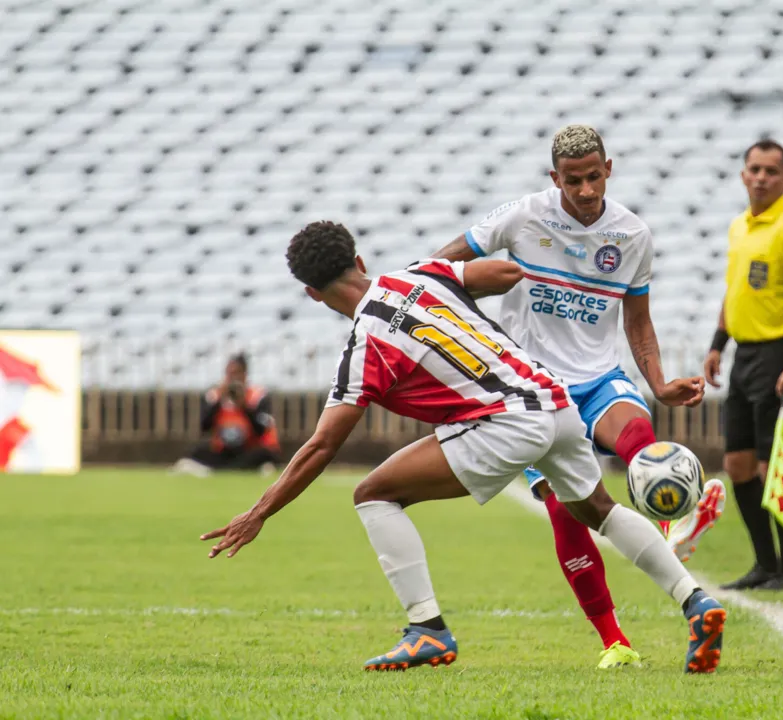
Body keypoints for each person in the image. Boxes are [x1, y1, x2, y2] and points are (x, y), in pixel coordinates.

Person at [200, 221, 727, 674]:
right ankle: (695, 601)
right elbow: (500, 274)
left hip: (505, 423)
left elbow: (320, 447)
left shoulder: (365, 344)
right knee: (598, 510)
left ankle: (426, 627)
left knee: (374, 494)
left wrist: (259, 512)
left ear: (311, 293)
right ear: (359, 259)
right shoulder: (422, 273)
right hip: (553, 398)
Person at [431, 124, 725, 667]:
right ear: (554, 179)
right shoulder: (523, 215)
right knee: (569, 513)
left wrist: (658, 384)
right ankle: (615, 642)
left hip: (598, 377)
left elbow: (637, 321)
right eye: (573, 181)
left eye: (594, 177)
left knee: (640, 440)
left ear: (609, 169)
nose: (586, 191)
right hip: (533, 391)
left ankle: (674, 521)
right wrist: (467, 291)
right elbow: (438, 267)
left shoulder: (632, 235)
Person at [704, 139, 783, 591]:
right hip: (744, 355)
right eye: (754, 168)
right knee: (737, 463)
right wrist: (718, 342)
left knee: (777, 465)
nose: (760, 177)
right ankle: (764, 564)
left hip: (779, 354)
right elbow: (735, 292)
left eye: (771, 171)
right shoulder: (739, 227)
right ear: (742, 174)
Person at [171, 354, 280, 476]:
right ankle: (232, 470)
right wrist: (218, 401)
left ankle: (216, 471)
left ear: (245, 374)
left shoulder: (257, 396)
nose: (233, 378)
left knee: (264, 455)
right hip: (224, 449)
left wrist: (244, 406)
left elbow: (261, 430)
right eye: (229, 374)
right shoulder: (215, 395)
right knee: (196, 451)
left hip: (248, 448)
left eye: (236, 373)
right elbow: (204, 426)